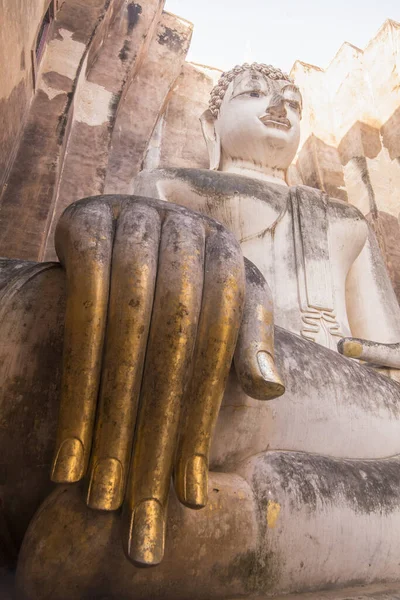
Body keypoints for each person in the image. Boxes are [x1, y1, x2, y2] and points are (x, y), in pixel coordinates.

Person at [4, 63, 400, 598]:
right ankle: (235, 525)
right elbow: (146, 288)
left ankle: (234, 531)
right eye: (254, 94)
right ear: (211, 125)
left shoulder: (347, 222)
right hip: (215, 351)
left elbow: (387, 350)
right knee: (204, 370)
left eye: (293, 101)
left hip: (351, 395)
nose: (280, 107)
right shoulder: (176, 184)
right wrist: (139, 229)